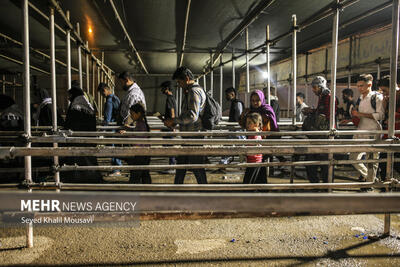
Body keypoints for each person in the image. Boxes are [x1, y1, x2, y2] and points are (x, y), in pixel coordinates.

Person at [164, 67, 207, 184]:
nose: (179, 85)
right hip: (190, 134)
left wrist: (175, 120)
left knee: (196, 165)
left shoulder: (194, 91)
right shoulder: (192, 90)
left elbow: (193, 116)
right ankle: (177, 188)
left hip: (194, 135)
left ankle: (206, 192)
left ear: (187, 79)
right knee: (182, 164)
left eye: (179, 82)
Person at [62, 86, 102, 183]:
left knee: (78, 160)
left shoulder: (75, 106)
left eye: (70, 95)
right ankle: (92, 178)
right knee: (89, 160)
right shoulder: (88, 106)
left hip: (77, 139)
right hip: (89, 138)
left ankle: (79, 178)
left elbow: (70, 124)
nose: (68, 98)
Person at [350, 74, 385, 181]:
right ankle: (371, 179)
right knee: (353, 158)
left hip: (373, 131)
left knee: (372, 161)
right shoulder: (360, 98)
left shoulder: (377, 97)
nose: (359, 88)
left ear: (369, 85)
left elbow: (381, 115)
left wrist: (360, 114)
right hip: (361, 131)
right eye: (358, 86)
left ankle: (370, 183)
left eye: (361, 86)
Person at [302, 76, 337, 183]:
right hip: (321, 134)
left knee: (322, 160)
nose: (313, 90)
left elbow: (327, 115)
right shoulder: (323, 96)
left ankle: (325, 184)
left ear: (321, 87)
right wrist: (312, 111)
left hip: (325, 135)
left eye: (315, 87)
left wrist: (313, 113)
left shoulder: (329, 97)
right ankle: (319, 184)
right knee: (316, 160)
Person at [240, 89, 279, 179]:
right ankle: (261, 186)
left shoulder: (267, 110)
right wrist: (244, 114)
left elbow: (273, 124)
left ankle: (252, 187)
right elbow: (243, 124)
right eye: (253, 100)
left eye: (258, 100)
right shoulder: (250, 111)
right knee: (259, 165)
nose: (255, 103)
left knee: (258, 164)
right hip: (253, 141)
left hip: (266, 140)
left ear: (262, 99)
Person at [377, 75, 400, 180]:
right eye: (382, 91)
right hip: (389, 135)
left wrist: (393, 115)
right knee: (383, 162)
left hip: (397, 136)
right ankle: (385, 188)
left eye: (385, 91)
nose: (384, 94)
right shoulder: (388, 99)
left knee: (395, 163)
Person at [98, 82, 123, 177]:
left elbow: (107, 118)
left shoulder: (109, 100)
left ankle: (116, 170)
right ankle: (117, 168)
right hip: (116, 127)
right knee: (116, 148)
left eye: (101, 92)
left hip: (111, 128)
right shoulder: (115, 98)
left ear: (105, 90)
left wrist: (102, 130)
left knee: (113, 149)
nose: (102, 95)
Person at [124, 103, 151, 184]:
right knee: (145, 173)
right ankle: (148, 189)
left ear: (138, 113)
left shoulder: (141, 125)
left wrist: (127, 134)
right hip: (145, 153)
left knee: (136, 173)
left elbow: (138, 140)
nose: (131, 116)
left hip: (140, 153)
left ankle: (133, 188)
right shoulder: (141, 123)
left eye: (132, 114)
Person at [219, 87, 244, 165]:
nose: (226, 97)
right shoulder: (235, 103)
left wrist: (235, 124)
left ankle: (224, 163)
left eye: (227, 95)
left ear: (232, 94)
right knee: (235, 146)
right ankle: (224, 163)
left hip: (236, 129)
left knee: (235, 146)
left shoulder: (237, 103)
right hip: (234, 129)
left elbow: (238, 116)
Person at [243, 112, 267, 184]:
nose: (247, 125)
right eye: (247, 122)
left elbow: (252, 149)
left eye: (250, 123)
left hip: (253, 161)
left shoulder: (254, 135)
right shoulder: (256, 133)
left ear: (256, 124)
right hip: (256, 160)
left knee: (248, 182)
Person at [160, 81, 177, 167]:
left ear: (167, 88)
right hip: (169, 124)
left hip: (169, 126)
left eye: (162, 88)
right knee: (167, 144)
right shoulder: (172, 97)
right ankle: (173, 162)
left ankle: (172, 164)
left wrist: (172, 124)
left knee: (169, 145)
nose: (161, 90)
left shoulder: (169, 98)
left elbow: (172, 112)